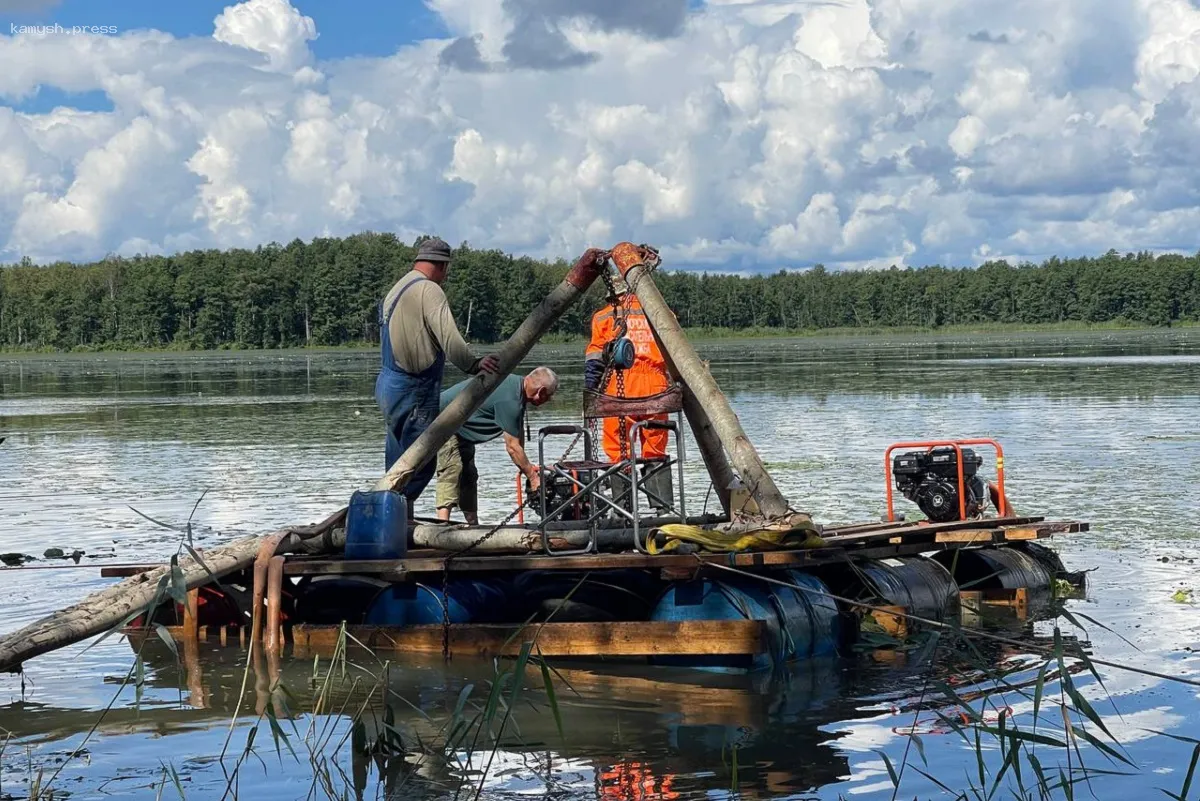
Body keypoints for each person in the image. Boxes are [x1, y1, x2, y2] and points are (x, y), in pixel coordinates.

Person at [375, 237, 498, 509]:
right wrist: (475, 364)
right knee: (421, 461)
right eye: (447, 270)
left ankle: (397, 523)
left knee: (397, 465)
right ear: (443, 266)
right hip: (413, 389)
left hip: (387, 385)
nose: (446, 276)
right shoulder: (429, 290)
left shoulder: (396, 289)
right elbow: (450, 339)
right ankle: (391, 515)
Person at [584, 274, 674, 511]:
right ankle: (663, 511)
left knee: (618, 449)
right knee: (655, 448)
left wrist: (592, 389)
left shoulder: (603, 316)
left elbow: (595, 359)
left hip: (619, 387)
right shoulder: (659, 312)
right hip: (656, 387)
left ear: (612, 294)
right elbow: (676, 350)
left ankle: (622, 512)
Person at [435, 367, 559, 525]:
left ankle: (473, 524)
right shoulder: (510, 399)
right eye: (549, 396)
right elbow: (512, 448)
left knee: (469, 474)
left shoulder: (517, 390)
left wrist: (529, 467)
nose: (548, 400)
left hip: (462, 427)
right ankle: (441, 525)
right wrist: (533, 477)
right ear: (541, 391)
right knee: (452, 468)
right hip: (444, 419)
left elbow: (518, 441)